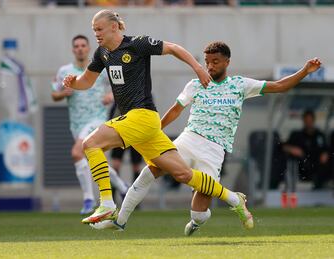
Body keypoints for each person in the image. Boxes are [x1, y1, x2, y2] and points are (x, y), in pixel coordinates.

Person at [92, 41, 322, 234]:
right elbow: (175, 110)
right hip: (188, 139)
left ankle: (196, 222)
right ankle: (120, 221)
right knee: (150, 170)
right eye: (207, 62)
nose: (209, 66)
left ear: (227, 62)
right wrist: (152, 131)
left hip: (214, 150)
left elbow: (280, 86)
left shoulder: (240, 85)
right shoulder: (196, 84)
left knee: (199, 212)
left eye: (215, 62)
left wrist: (304, 71)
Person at [63, 10, 252, 227]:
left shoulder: (137, 44)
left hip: (142, 116)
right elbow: (86, 81)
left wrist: (198, 68)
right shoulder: (102, 53)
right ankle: (235, 199)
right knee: (183, 174)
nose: (96, 33)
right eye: (94, 29)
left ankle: (107, 203)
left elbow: (173, 48)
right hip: (141, 125)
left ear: (114, 27)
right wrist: (73, 82)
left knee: (90, 144)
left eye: (99, 29)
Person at [52, 35, 128, 215]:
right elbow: (54, 95)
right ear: (73, 50)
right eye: (76, 46)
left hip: (97, 119)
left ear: (88, 48)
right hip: (76, 124)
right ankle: (122, 186)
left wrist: (112, 96)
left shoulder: (100, 68)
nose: (80, 48)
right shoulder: (64, 71)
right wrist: (64, 93)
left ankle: (88, 199)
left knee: (77, 153)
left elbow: (120, 86)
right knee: (93, 159)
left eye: (83, 45)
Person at [284, 110, 330, 191]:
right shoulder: (297, 136)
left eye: (310, 120)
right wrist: (292, 149)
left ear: (313, 121)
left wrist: (326, 153)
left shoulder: (320, 135)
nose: (309, 123)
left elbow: (327, 149)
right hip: (304, 166)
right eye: (306, 120)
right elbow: (283, 146)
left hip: (319, 166)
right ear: (304, 121)